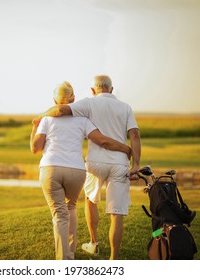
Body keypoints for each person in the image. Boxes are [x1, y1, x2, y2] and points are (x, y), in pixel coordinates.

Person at [37, 75, 141, 260]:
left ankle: (93, 244)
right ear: (112, 89)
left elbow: (61, 110)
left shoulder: (89, 103)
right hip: (120, 163)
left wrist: (42, 116)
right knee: (116, 213)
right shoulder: (126, 107)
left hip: (95, 163)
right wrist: (136, 163)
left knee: (90, 200)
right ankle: (114, 259)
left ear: (93, 90)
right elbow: (134, 135)